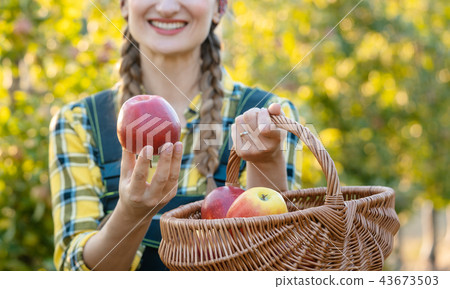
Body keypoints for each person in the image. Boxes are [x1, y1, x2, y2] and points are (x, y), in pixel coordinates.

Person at [49, 0, 302, 271]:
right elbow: (75, 273)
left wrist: (266, 163)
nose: (167, 7)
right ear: (123, 4)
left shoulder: (264, 118)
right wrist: (132, 213)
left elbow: (280, 263)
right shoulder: (80, 122)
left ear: (220, 7)